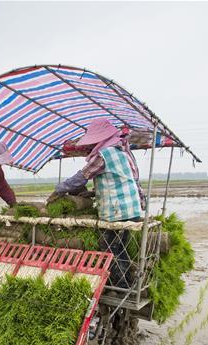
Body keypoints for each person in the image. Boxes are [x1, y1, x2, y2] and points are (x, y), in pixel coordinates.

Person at [54, 119, 144, 288]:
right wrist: (92, 193)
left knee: (110, 247)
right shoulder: (122, 151)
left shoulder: (104, 154)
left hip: (118, 210)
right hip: (130, 208)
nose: (92, 145)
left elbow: (82, 177)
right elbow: (119, 179)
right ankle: (126, 281)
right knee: (120, 246)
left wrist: (60, 188)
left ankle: (121, 285)